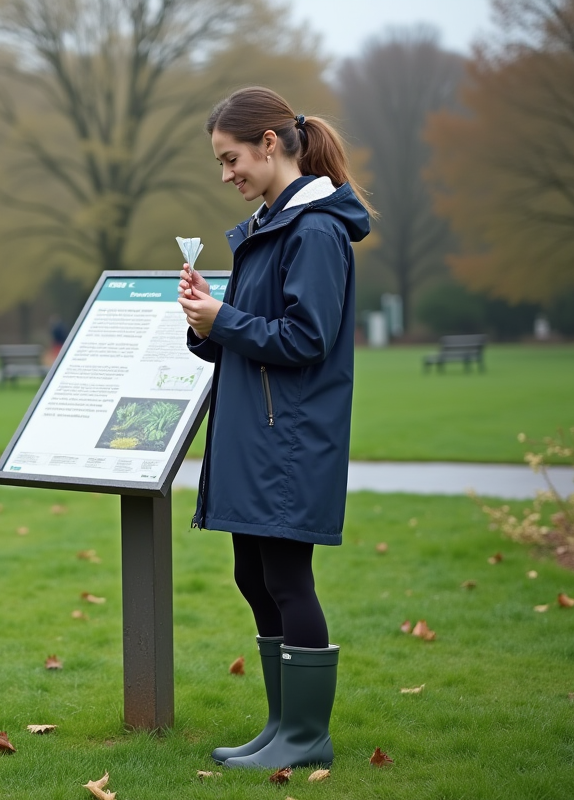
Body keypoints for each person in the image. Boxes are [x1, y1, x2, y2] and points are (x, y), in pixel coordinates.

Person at [176, 86, 373, 770]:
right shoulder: (273, 224)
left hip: (289, 440)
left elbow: (305, 338)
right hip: (257, 436)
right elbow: (253, 333)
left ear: (268, 143)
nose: (225, 173)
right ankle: (281, 725)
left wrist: (223, 320)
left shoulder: (314, 229)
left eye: (231, 157)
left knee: (288, 580)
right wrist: (207, 319)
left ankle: (306, 735)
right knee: (253, 578)